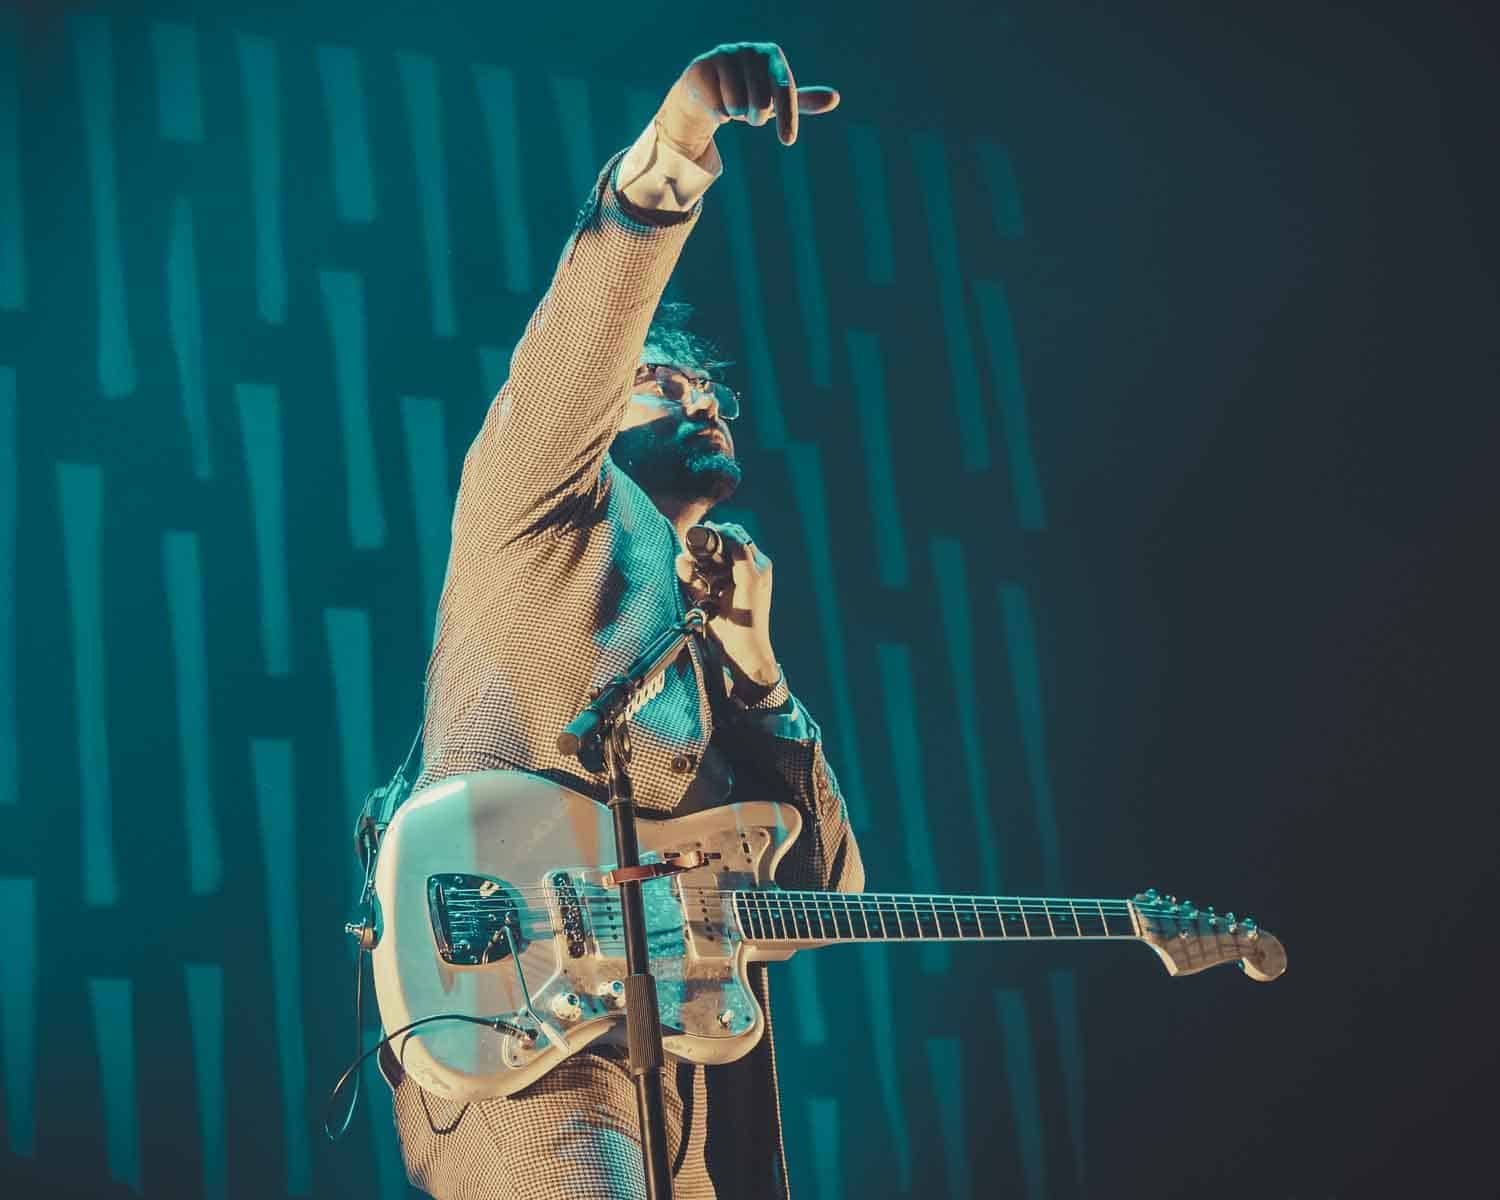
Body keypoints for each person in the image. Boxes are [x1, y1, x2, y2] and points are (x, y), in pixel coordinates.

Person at [383, 42, 864, 1200]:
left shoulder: (700, 634)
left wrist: (759, 672)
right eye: (662, 384)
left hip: (675, 1067)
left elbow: (822, 899)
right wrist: (680, 144)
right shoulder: (537, 498)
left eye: (710, 391)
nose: (700, 399)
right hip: (523, 1042)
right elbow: (584, 329)